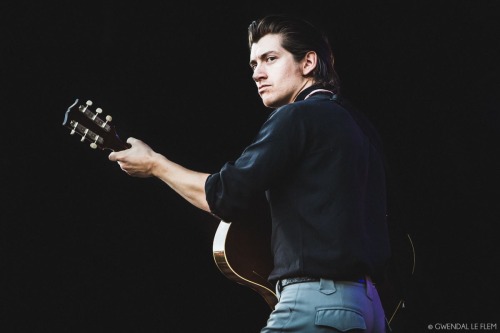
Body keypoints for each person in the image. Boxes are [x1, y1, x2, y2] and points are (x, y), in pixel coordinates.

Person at [108, 14, 391, 333]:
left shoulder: (297, 116)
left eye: (270, 59)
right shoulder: (360, 127)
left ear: (308, 62)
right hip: (370, 310)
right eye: (254, 64)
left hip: (316, 303)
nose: (258, 73)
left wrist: (155, 164)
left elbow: (225, 195)